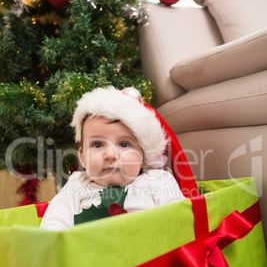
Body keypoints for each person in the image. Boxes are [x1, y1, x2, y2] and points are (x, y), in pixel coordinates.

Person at [40, 86, 185, 231]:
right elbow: (53, 223)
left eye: (124, 144)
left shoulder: (157, 180)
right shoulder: (77, 185)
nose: (110, 154)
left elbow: (181, 220)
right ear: (83, 157)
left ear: (143, 157)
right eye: (97, 144)